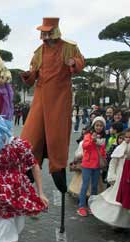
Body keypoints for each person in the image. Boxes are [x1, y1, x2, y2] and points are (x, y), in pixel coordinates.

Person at [20, 17, 84, 190]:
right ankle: (28, 167)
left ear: (55, 31)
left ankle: (57, 168)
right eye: (43, 33)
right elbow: (33, 75)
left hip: (60, 97)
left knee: (57, 135)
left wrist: (74, 63)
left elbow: (80, 63)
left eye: (48, 32)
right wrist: (28, 75)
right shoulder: (38, 52)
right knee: (30, 134)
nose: (45, 36)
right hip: (41, 95)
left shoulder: (69, 47)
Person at [89, 128, 130, 229]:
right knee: (116, 201)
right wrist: (112, 176)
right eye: (126, 137)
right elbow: (113, 163)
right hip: (119, 179)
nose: (127, 139)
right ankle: (116, 222)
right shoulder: (120, 148)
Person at [77, 116, 106, 217]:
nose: (99, 127)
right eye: (97, 125)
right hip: (87, 164)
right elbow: (85, 146)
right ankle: (81, 206)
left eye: (101, 125)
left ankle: (91, 206)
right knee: (85, 186)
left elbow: (103, 151)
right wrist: (92, 140)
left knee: (94, 186)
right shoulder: (88, 135)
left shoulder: (103, 138)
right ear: (94, 125)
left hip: (97, 165)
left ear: (103, 127)